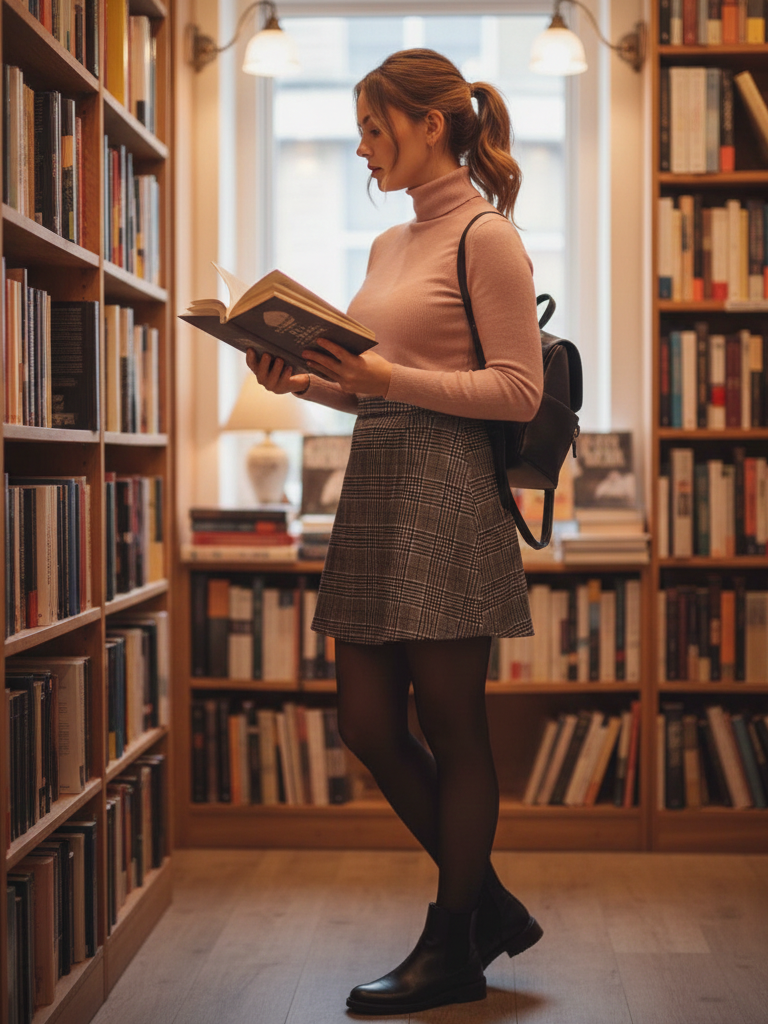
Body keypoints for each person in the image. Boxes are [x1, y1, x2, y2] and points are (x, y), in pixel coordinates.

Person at [247, 47, 544, 1016]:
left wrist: (380, 382)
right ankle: (489, 901)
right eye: (361, 128)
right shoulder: (388, 246)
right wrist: (310, 380)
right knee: (368, 725)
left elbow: (517, 390)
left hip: (450, 499)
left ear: (431, 124)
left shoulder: (487, 237)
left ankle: (454, 939)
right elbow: (380, 390)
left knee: (454, 728)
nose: (363, 146)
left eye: (376, 127)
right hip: (377, 488)